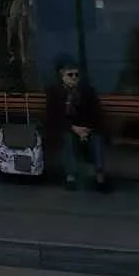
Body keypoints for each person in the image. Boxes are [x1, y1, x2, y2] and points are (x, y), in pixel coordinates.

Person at [43, 57, 108, 192]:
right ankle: (71, 176)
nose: (74, 78)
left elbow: (97, 113)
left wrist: (87, 130)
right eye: (70, 75)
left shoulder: (87, 91)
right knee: (67, 138)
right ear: (62, 76)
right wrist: (73, 128)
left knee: (97, 138)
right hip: (66, 128)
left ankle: (100, 177)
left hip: (86, 128)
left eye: (76, 75)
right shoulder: (54, 92)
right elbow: (53, 117)